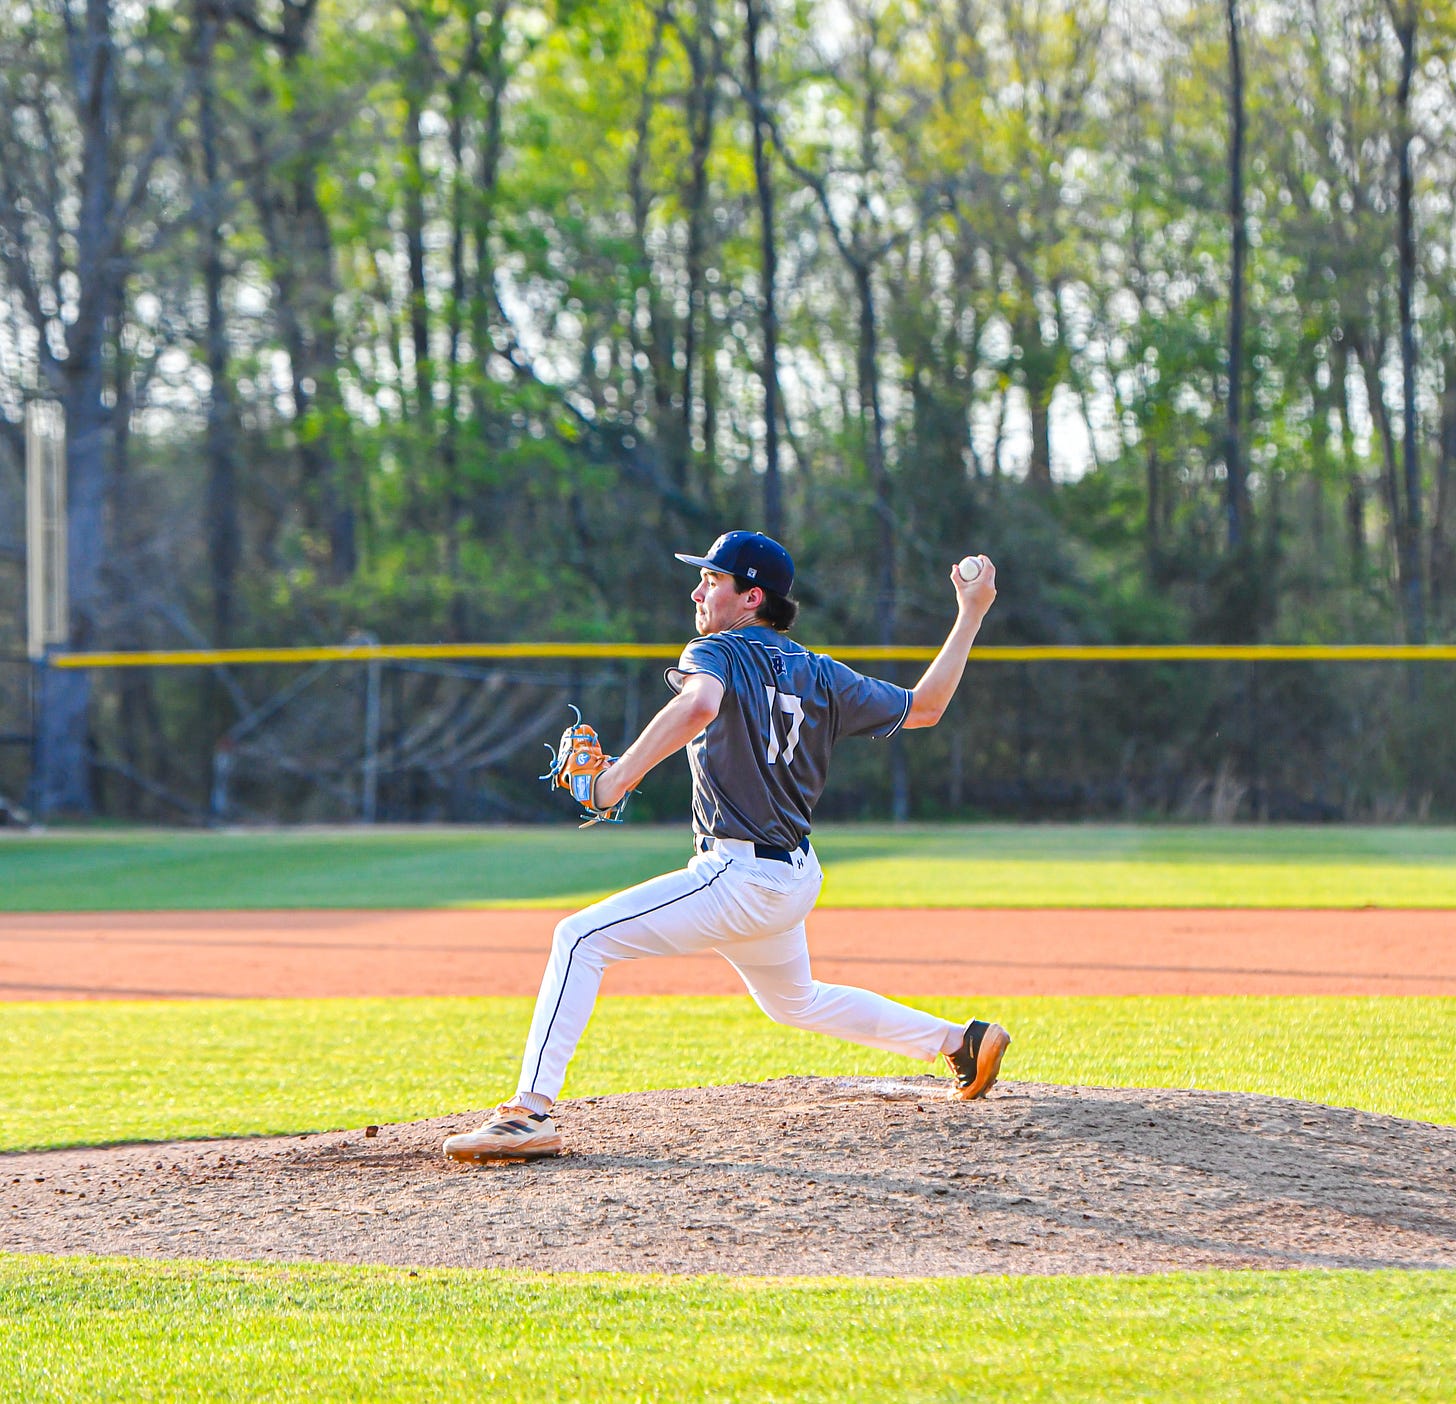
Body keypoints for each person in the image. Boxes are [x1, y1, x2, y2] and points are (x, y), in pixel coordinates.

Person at [443, 531, 1009, 1162]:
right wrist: (970, 613)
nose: (698, 592)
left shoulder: (716, 650)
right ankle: (960, 1042)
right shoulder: (821, 672)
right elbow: (926, 707)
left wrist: (611, 782)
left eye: (712, 580)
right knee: (794, 1001)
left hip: (739, 877)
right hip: (793, 876)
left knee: (578, 939)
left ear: (752, 597)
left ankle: (528, 1113)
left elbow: (700, 706)